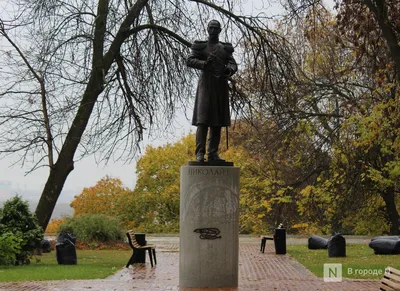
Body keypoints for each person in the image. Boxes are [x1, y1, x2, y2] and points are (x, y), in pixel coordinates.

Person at [187, 20, 238, 162]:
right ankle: (199, 153)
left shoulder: (224, 48)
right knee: (202, 121)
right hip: (205, 87)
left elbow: (232, 63)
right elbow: (190, 60)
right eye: (212, 27)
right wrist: (204, 64)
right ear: (208, 29)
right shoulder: (201, 46)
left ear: (220, 30)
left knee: (217, 122)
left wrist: (229, 69)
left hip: (219, 87)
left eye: (216, 28)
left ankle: (213, 153)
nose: (214, 30)